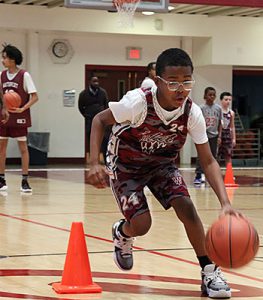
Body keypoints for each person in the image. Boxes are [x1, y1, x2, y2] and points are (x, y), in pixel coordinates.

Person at [87, 48, 240, 299]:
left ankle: (209, 270)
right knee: (142, 225)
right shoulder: (137, 102)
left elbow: (209, 160)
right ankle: (122, 233)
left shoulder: (192, 112)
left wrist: (225, 202)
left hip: (162, 165)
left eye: (187, 82)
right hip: (126, 167)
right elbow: (99, 120)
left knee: (187, 208)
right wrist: (95, 162)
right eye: (173, 82)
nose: (181, 89)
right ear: (158, 81)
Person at [0, 44, 38, 192]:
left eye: (5, 58)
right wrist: (4, 108)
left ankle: (25, 180)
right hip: (4, 116)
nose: (3, 60)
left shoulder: (24, 75)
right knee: (2, 149)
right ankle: (2, 180)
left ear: (12, 59)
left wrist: (23, 108)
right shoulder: (1, 76)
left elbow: (35, 97)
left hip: (20, 117)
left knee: (23, 149)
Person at [194, 87, 222, 185]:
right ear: (205, 96)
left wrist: (219, 136)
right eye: (210, 94)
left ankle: (210, 176)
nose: (212, 96)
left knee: (213, 156)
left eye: (214, 95)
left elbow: (220, 124)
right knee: (201, 156)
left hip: (214, 135)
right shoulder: (201, 108)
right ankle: (198, 175)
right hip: (203, 135)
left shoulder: (218, 108)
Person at [78, 75, 109, 163]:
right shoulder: (83, 94)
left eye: (97, 81)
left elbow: (106, 104)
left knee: (104, 140)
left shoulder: (103, 92)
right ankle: (94, 161)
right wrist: (87, 115)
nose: (96, 83)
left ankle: (105, 160)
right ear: (90, 82)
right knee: (91, 139)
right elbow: (80, 107)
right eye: (94, 81)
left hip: (102, 121)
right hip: (90, 120)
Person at [218, 92, 236, 166]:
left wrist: (234, 138)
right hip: (219, 134)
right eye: (226, 99)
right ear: (221, 100)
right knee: (216, 155)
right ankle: (215, 174)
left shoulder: (231, 113)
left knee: (228, 155)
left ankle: (229, 174)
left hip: (227, 135)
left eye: (229, 100)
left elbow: (232, 126)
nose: (228, 101)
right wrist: (218, 136)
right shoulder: (218, 111)